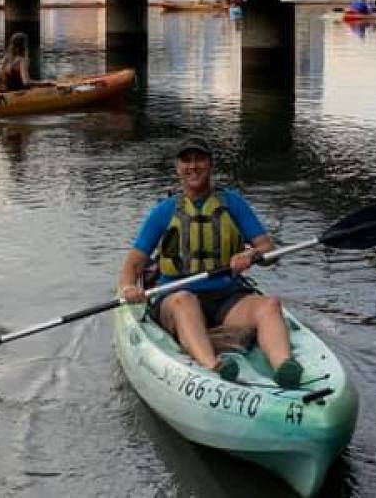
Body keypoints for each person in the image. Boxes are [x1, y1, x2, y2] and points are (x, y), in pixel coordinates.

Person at [117, 135, 303, 387]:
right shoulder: (164, 211)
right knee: (185, 301)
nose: (193, 166)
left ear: (210, 164)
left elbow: (268, 250)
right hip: (175, 298)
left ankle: (285, 367)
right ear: (178, 168)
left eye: (199, 160)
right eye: (186, 161)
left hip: (227, 297)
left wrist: (251, 254)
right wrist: (129, 288)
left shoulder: (233, 204)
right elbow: (133, 265)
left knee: (269, 305)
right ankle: (214, 366)